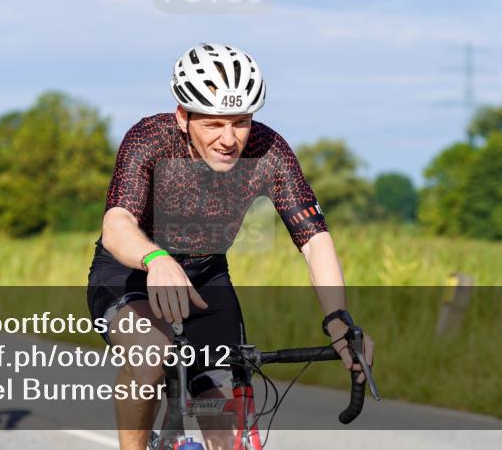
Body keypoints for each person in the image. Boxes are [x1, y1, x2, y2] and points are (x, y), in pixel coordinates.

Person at [86, 43, 374, 450]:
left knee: (226, 432)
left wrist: (338, 319)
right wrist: (155, 258)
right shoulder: (151, 138)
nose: (229, 140)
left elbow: (314, 239)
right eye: (214, 125)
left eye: (240, 122)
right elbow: (117, 224)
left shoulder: (268, 150)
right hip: (130, 274)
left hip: (206, 278)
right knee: (150, 357)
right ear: (183, 116)